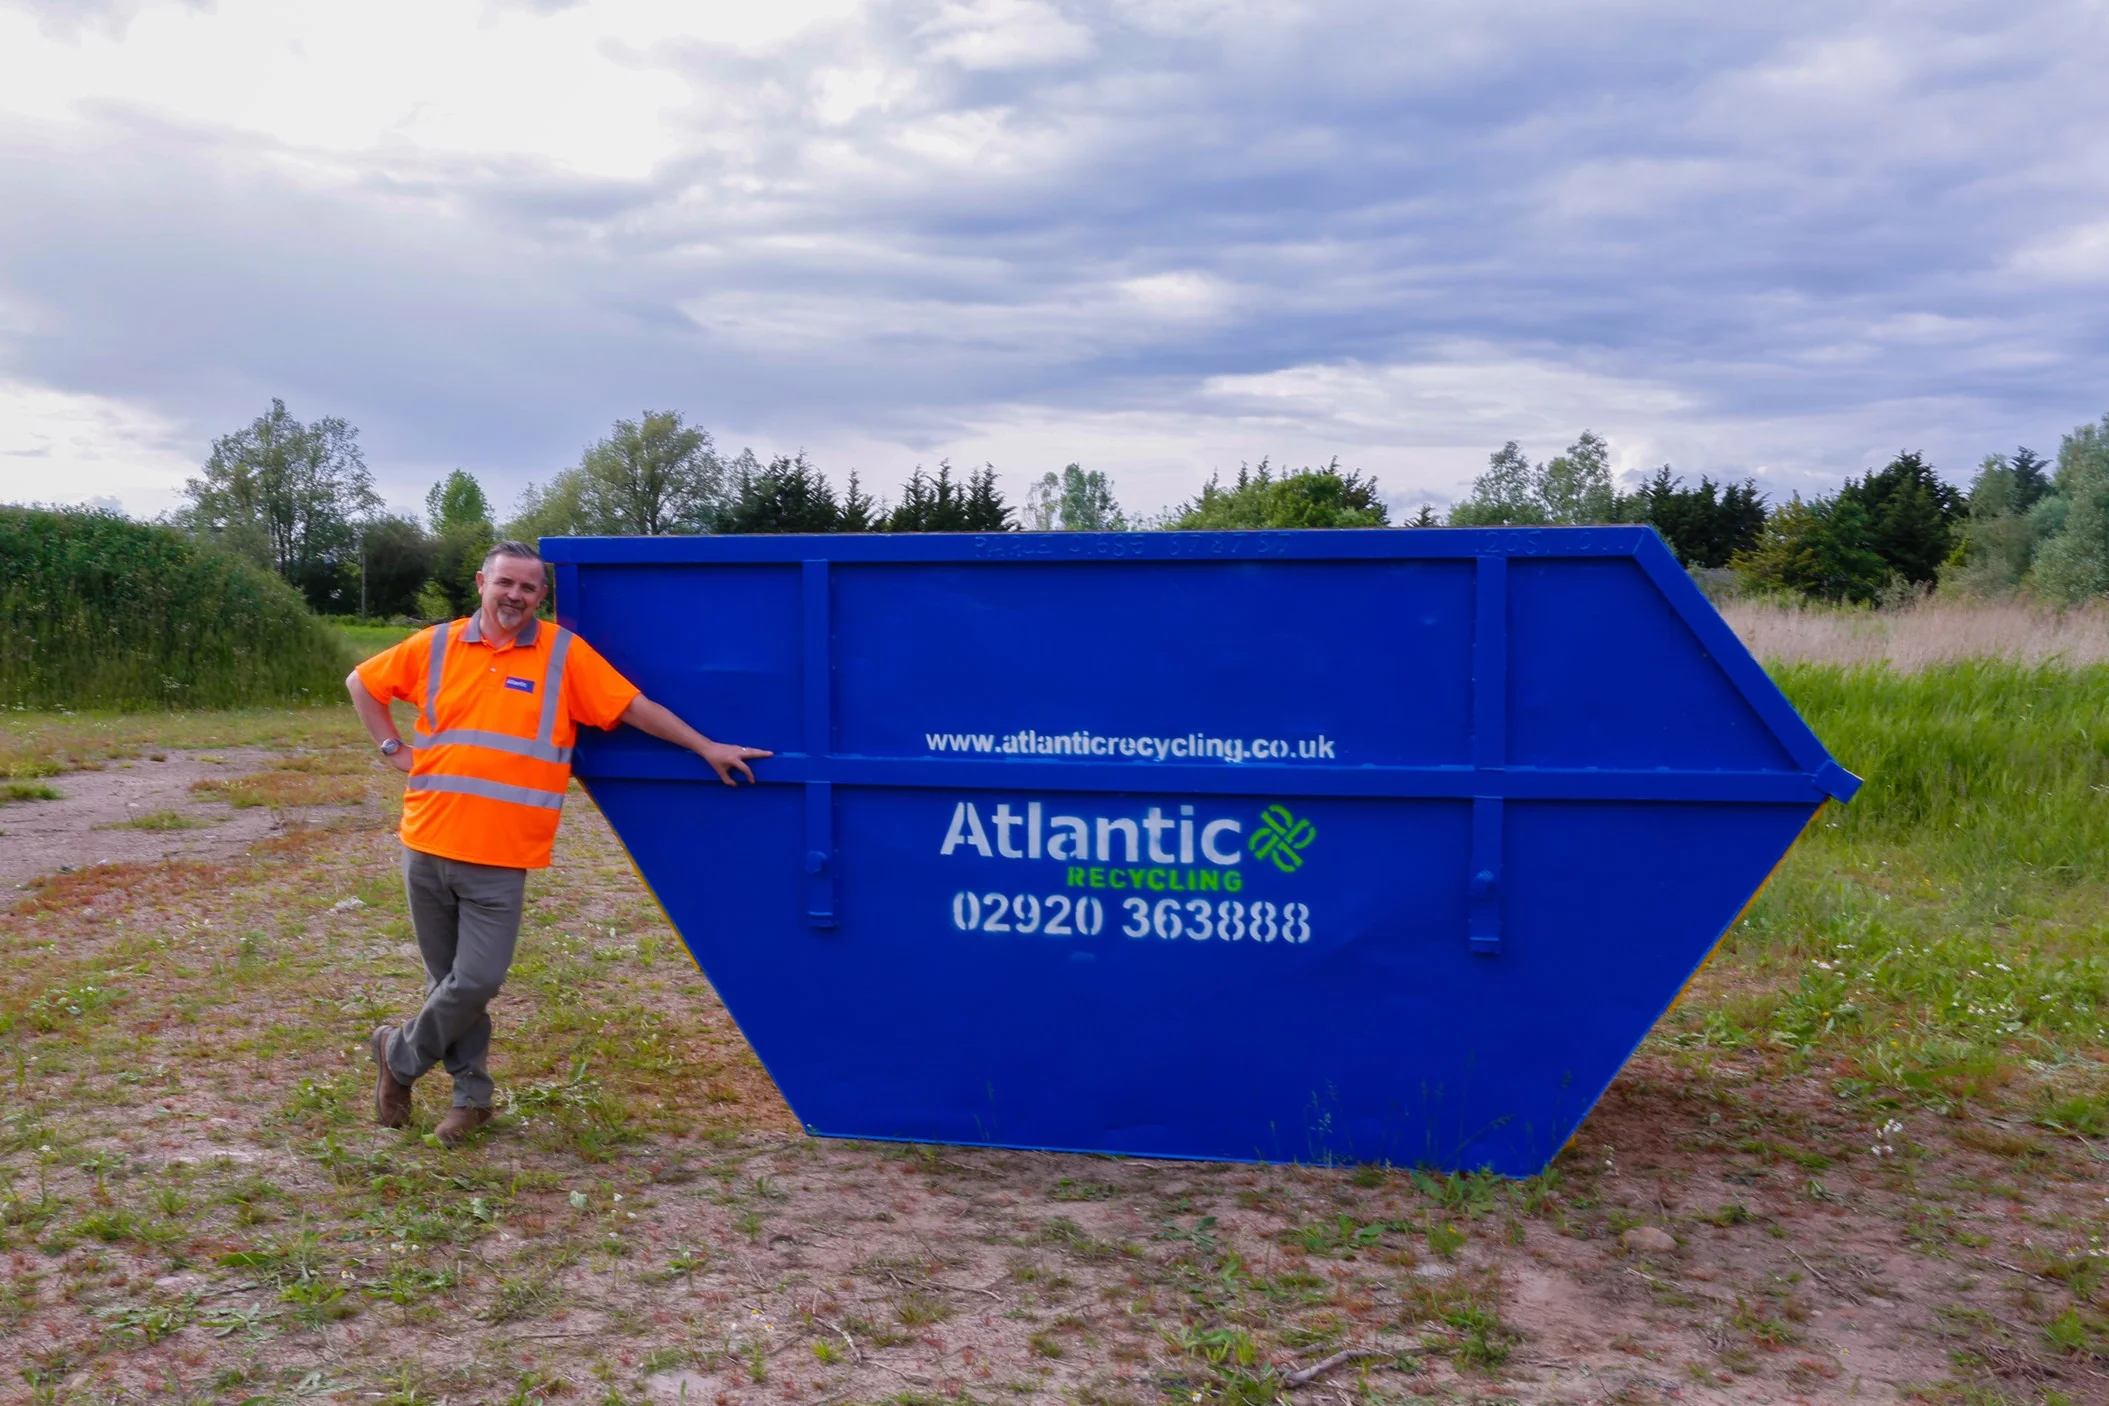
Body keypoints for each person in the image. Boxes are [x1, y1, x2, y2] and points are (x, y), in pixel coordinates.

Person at [346, 540, 771, 1145]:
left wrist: (704, 746)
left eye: (528, 587)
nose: (515, 595)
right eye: (505, 583)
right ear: (481, 583)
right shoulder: (435, 645)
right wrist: (394, 750)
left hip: (503, 854)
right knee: (448, 985)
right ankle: (471, 1098)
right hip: (427, 840)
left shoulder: (562, 655)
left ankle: (398, 1055)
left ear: (542, 595)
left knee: (477, 980)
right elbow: (361, 683)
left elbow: (633, 707)